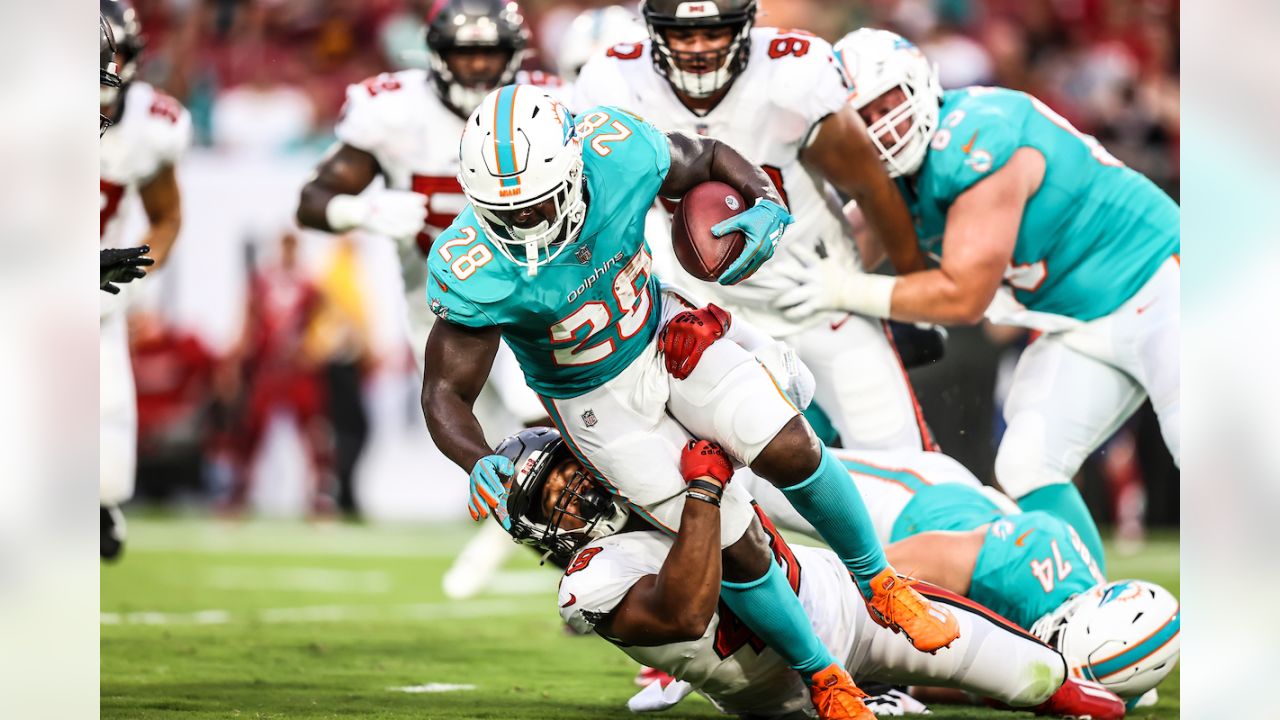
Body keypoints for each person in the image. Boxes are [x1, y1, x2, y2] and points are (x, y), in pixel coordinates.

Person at [423, 83, 960, 719]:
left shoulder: (613, 150)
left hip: (664, 333)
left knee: (788, 443)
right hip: (596, 402)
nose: (526, 226)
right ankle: (824, 675)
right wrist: (474, 455)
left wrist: (760, 197)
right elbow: (445, 390)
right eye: (506, 214)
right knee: (734, 540)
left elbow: (703, 158)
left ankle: (879, 582)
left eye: (537, 206)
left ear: (572, 166)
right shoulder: (473, 262)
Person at [775, 28, 1180, 564]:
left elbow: (963, 296)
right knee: (1028, 464)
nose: (881, 128)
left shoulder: (977, 133)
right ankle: (1094, 614)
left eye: (888, 105)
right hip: (1080, 324)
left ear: (921, 84)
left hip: (1163, 287)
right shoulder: (900, 180)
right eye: (862, 118)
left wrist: (844, 289)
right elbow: (841, 249)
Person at [491, 427, 1126, 720]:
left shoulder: (646, 470)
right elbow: (684, 610)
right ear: (538, 531)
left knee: (1047, 680)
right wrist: (704, 495)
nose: (574, 494)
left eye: (570, 474)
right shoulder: (590, 581)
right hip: (780, 695)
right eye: (553, 499)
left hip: (844, 605)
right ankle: (878, 692)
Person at [573, 0, 939, 453]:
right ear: (653, 30)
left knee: (901, 458)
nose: (700, 48)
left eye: (716, 31)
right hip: (715, 315)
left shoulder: (794, 74)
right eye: (684, 34)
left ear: (745, 26)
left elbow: (872, 188)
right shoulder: (617, 82)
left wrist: (916, 297)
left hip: (819, 299)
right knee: (724, 479)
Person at [737, 446, 1180, 706]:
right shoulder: (1026, 561)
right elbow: (871, 582)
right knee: (762, 466)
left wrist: (898, 678)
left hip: (954, 545)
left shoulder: (1120, 677)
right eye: (1056, 643)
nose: (1051, 656)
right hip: (915, 504)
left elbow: (972, 669)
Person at [100, 0, 191, 559]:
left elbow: (166, 216)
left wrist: (135, 272)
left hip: (92, 280)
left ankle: (99, 505)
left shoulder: (149, 125)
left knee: (107, 403)